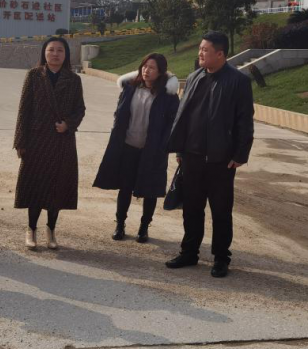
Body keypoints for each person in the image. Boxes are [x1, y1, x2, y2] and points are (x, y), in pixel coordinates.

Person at [164, 31, 254, 278]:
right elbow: (183, 115)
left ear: (220, 54)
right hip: (191, 157)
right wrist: (180, 149)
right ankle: (189, 252)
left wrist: (240, 154)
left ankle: (221, 258)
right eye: (200, 49)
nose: (200, 53)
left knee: (221, 211)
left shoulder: (238, 81)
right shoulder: (195, 77)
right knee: (191, 208)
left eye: (205, 50)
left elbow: (245, 121)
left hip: (221, 160)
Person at [92, 53, 179, 243]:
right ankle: (120, 224)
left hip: (153, 150)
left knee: (150, 190)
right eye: (145, 66)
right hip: (128, 146)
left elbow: (173, 123)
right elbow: (120, 113)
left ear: (161, 72)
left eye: (152, 68)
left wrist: (163, 144)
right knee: (125, 188)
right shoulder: (130, 88)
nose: (147, 70)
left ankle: (144, 227)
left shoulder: (168, 96)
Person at [13, 36, 85, 250]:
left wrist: (68, 124)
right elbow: (24, 109)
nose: (55, 54)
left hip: (62, 141)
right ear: (44, 53)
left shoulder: (74, 79)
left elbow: (80, 109)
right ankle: (31, 229)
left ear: (66, 55)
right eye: (51, 50)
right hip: (37, 140)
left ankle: (51, 229)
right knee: (35, 185)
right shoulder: (34, 76)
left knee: (57, 186)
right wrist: (20, 141)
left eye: (60, 50)